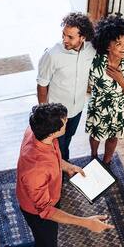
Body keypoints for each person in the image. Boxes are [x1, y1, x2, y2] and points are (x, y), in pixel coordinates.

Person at [4, 103, 114, 247]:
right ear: (52, 132)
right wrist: (87, 222)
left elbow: (51, 155)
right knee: (48, 246)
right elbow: (46, 211)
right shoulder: (36, 171)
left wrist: (67, 166)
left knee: (48, 240)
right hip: (36, 210)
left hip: (48, 194)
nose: (67, 121)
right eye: (64, 121)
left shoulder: (37, 131)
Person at [37, 12, 96, 162]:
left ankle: (61, 164)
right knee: (59, 144)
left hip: (77, 109)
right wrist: (43, 112)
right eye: (64, 35)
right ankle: (62, 170)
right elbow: (42, 84)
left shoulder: (91, 49)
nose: (65, 39)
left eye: (70, 37)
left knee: (68, 138)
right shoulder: (52, 54)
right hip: (57, 113)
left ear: (83, 38)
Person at [85, 16, 124, 166]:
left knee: (113, 137)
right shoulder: (95, 61)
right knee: (95, 135)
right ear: (107, 45)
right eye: (118, 43)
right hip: (98, 105)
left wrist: (121, 79)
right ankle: (94, 156)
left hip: (119, 107)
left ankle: (107, 161)